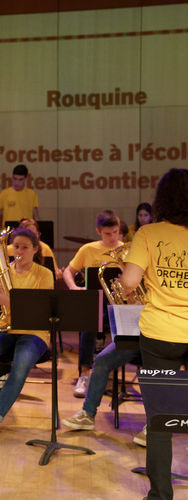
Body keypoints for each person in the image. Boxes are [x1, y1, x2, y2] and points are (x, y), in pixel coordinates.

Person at [120, 168, 188, 500]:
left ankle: (161, 495)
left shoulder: (148, 233)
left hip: (160, 336)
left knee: (161, 421)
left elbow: (129, 283)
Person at [0, 228, 54, 443]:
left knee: (20, 365)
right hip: (7, 329)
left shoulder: (44, 274)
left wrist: (6, 300)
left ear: (35, 249)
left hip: (35, 334)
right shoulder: (3, 271)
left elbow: (39, 309)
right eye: (16, 246)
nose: (19, 251)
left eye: (25, 247)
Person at [62, 210, 123, 398]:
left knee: (121, 325)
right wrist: (73, 287)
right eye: (107, 233)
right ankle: (85, 373)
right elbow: (68, 271)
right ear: (98, 231)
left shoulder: (125, 248)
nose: (112, 237)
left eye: (115, 232)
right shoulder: (88, 249)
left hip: (118, 303)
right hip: (94, 301)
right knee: (88, 322)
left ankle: (110, 371)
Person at [61, 341, 144, 446]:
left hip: (159, 340)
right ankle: (88, 414)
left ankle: (154, 425)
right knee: (102, 360)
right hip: (132, 339)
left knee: (154, 369)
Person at [0, 164, 39, 229]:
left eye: (20, 180)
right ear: (12, 177)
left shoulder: (32, 194)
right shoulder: (4, 194)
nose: (17, 182)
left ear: (26, 179)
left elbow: (36, 218)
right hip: (9, 232)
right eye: (15, 179)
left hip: (26, 232)